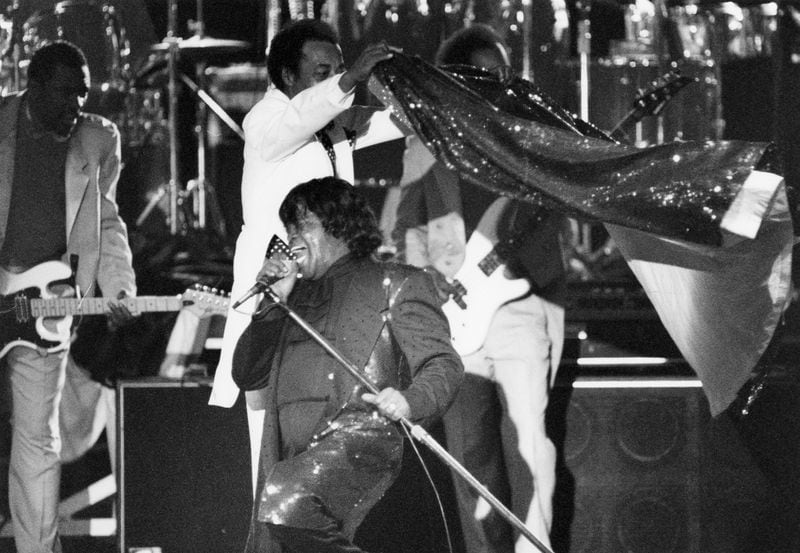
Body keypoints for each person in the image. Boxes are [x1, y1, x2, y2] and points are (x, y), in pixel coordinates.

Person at [209, 19, 407, 493]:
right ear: (288, 76)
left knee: (319, 465)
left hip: (324, 309)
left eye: (339, 68)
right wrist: (348, 79)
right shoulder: (266, 121)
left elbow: (393, 121)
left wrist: (422, 93)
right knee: (273, 465)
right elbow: (303, 117)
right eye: (324, 70)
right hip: (277, 307)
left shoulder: (332, 128)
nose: (339, 79)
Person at [391, 25, 566, 553]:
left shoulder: (530, 137)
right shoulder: (424, 143)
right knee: (471, 456)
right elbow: (406, 225)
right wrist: (429, 284)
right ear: (456, 80)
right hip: (455, 315)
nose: (495, 83)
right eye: (482, 73)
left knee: (530, 445)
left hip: (517, 307)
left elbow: (557, 210)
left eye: (501, 73)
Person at [231, 176, 462, 553]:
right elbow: (246, 373)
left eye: (303, 226)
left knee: (289, 498)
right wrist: (271, 306)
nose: (292, 238)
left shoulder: (396, 283)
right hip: (292, 459)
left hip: (361, 444)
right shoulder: (291, 300)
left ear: (340, 226)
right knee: (285, 502)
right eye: (289, 229)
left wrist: (411, 400)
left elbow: (442, 363)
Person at [0, 40, 136, 553]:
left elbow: (106, 219)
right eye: (64, 93)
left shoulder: (99, 140)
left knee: (38, 441)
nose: (76, 105)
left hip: (47, 303)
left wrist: (120, 287)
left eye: (82, 93)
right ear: (33, 85)